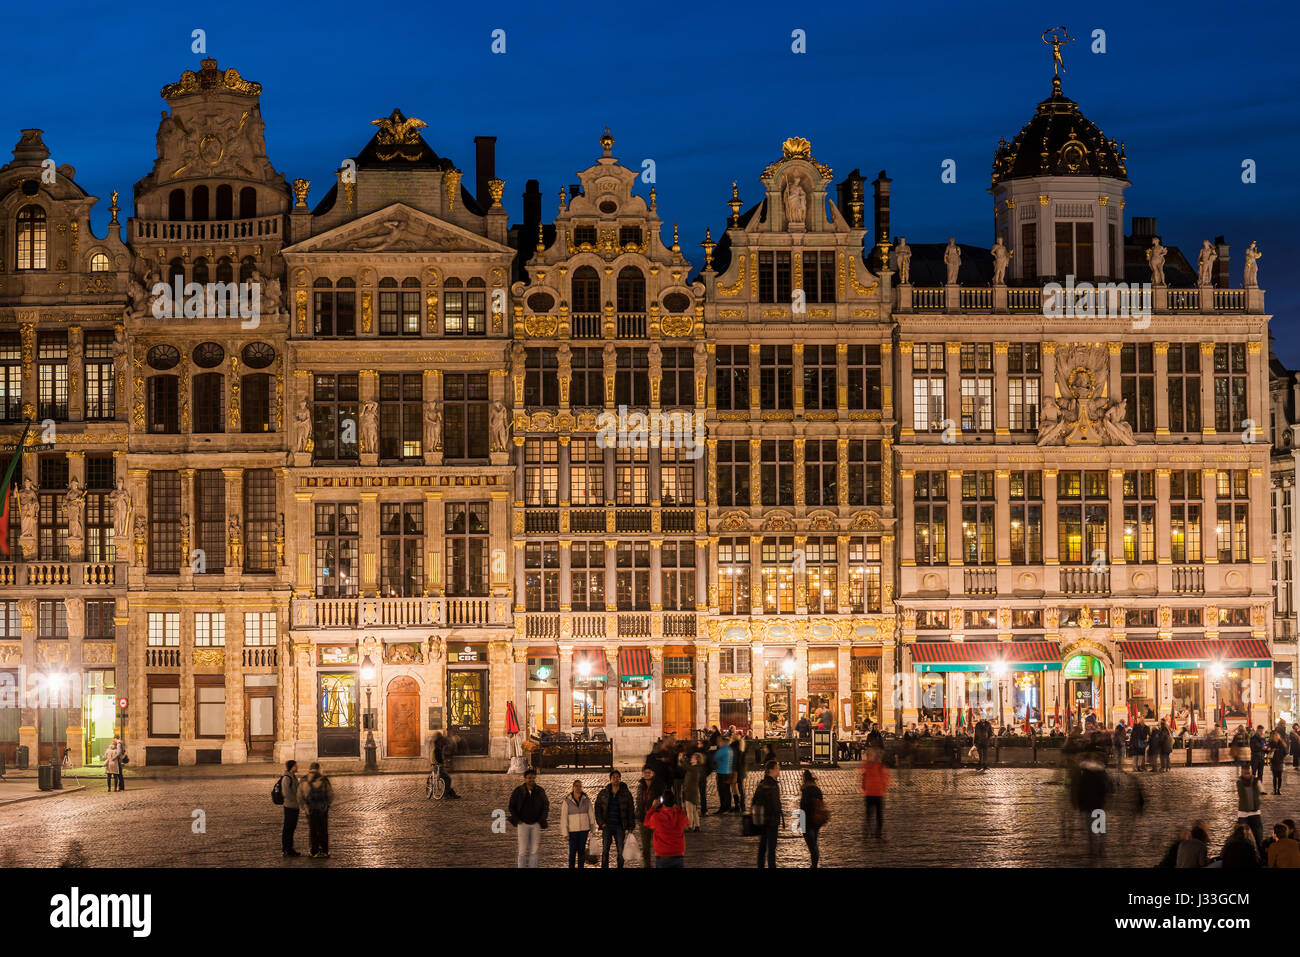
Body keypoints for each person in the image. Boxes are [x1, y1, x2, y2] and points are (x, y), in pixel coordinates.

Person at [507, 767, 549, 868]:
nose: (531, 780)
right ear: (525, 778)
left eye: (533, 778)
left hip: (536, 824)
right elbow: (511, 806)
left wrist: (540, 820)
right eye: (529, 778)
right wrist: (517, 820)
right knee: (522, 850)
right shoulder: (518, 791)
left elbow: (546, 805)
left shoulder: (540, 790)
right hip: (523, 824)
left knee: (534, 850)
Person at [594, 769, 635, 868]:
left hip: (620, 826)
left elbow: (631, 810)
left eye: (617, 777)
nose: (616, 779)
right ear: (610, 780)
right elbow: (597, 807)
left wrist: (630, 826)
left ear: (620, 779)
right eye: (614, 777)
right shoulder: (604, 793)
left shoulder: (626, 794)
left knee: (621, 852)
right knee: (605, 851)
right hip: (607, 826)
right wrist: (601, 823)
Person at [642, 788, 688, 867]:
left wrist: (653, 807)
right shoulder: (679, 815)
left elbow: (646, 822)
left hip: (662, 854)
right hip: (677, 853)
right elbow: (686, 822)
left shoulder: (656, 816)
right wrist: (676, 807)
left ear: (662, 801)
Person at [297, 762, 334, 859]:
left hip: (310, 810)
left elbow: (299, 796)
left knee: (313, 830)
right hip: (322, 809)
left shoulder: (304, 780)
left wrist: (304, 807)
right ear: (318, 769)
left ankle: (314, 851)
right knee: (323, 830)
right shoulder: (324, 779)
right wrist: (327, 805)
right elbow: (330, 794)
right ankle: (325, 851)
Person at [752, 759, 784, 868]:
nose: (779, 770)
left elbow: (754, 801)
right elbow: (776, 805)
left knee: (762, 847)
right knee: (771, 848)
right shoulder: (773, 786)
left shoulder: (762, 784)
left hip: (762, 820)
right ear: (772, 770)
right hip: (772, 821)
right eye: (778, 768)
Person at [559, 779, 594, 869]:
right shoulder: (567, 801)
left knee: (581, 852)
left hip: (584, 830)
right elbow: (563, 818)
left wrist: (593, 829)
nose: (578, 788)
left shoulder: (586, 800)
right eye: (576, 786)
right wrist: (565, 833)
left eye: (580, 786)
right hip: (572, 831)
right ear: (573, 787)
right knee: (572, 853)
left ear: (582, 788)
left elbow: (591, 815)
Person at [860, 747, 890, 839]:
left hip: (869, 793)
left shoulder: (867, 766)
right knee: (879, 815)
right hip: (878, 793)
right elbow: (886, 779)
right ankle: (878, 832)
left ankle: (867, 830)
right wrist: (884, 788)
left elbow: (863, 779)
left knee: (869, 814)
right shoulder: (880, 767)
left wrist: (864, 788)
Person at [799, 769, 826, 868]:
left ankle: (814, 865)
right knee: (814, 843)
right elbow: (821, 805)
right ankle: (814, 864)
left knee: (812, 846)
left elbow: (803, 808)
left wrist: (801, 823)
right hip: (816, 821)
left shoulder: (805, 791)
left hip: (807, 821)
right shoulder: (817, 790)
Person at [635, 765, 660, 868]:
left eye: (649, 772)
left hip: (656, 820)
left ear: (653, 773)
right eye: (645, 772)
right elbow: (638, 800)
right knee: (645, 848)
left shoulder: (658, 785)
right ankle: (647, 866)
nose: (647, 774)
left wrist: (658, 804)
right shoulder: (641, 785)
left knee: (658, 846)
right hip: (643, 820)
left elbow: (663, 799)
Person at [1237, 765, 1265, 854]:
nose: (1247, 775)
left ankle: (1260, 853)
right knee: (1242, 836)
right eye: (1245, 773)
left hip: (1255, 812)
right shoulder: (1239, 782)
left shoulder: (1256, 781)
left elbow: (1262, 790)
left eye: (1248, 773)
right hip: (1243, 813)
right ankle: (1244, 854)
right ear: (1242, 773)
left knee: (1258, 836)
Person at [279, 760, 301, 857]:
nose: (297, 767)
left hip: (295, 806)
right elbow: (286, 793)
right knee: (288, 828)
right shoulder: (287, 778)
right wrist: (296, 800)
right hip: (290, 806)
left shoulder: (293, 777)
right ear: (292, 767)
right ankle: (286, 849)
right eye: (296, 766)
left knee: (291, 828)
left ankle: (290, 848)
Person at [432, 731, 460, 799]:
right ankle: (446, 794)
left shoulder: (438, 748)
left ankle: (451, 793)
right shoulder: (437, 749)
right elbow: (438, 759)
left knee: (446, 780)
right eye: (442, 742)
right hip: (438, 767)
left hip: (438, 766)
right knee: (448, 779)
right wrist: (443, 763)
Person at [712, 735, 734, 814]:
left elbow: (715, 758)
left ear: (721, 742)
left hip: (722, 772)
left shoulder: (722, 750)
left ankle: (723, 808)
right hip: (728, 772)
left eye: (718, 742)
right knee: (727, 791)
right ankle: (728, 807)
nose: (717, 744)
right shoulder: (729, 749)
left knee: (722, 791)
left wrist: (718, 761)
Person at [681, 752, 703, 832]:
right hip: (693, 791)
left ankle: (690, 826)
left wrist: (681, 759)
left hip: (690, 792)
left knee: (689, 810)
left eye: (693, 758)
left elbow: (685, 766)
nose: (691, 758)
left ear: (697, 760)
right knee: (694, 810)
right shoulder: (695, 768)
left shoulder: (694, 769)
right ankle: (697, 826)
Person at [1268, 729, 1288, 795]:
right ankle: (1275, 790)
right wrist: (1270, 750)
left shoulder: (1282, 743)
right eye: (1275, 735)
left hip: (1279, 761)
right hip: (1273, 761)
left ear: (1279, 736)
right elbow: (1267, 750)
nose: (1276, 736)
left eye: (1277, 735)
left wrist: (1280, 756)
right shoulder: (1271, 743)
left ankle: (1278, 790)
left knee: (1279, 776)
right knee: (1274, 776)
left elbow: (1285, 752)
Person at [731, 733, 747, 812]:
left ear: (733, 739)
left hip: (735, 770)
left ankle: (737, 805)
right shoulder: (742, 746)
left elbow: (734, 760)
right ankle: (743, 805)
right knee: (740, 788)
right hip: (741, 770)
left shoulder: (733, 747)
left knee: (734, 788)